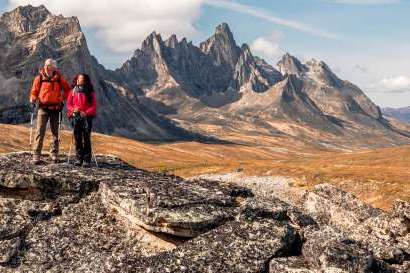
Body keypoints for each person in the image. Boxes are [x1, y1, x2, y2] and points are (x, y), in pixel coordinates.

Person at [29, 59, 71, 164]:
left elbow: (67, 90)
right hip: (42, 108)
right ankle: (36, 155)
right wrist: (33, 98)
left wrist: (62, 98)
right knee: (40, 131)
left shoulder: (59, 78)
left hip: (55, 108)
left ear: (54, 67)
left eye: (50, 65)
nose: (48, 67)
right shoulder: (39, 78)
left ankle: (54, 153)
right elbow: (34, 91)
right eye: (47, 65)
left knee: (55, 132)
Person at [66, 74, 97, 167]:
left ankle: (86, 159)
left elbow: (94, 106)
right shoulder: (72, 91)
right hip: (76, 117)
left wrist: (86, 113)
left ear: (85, 80)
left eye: (81, 79)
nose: (79, 80)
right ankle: (79, 158)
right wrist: (73, 110)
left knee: (86, 138)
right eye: (78, 79)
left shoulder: (90, 92)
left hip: (87, 118)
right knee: (77, 137)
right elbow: (68, 105)